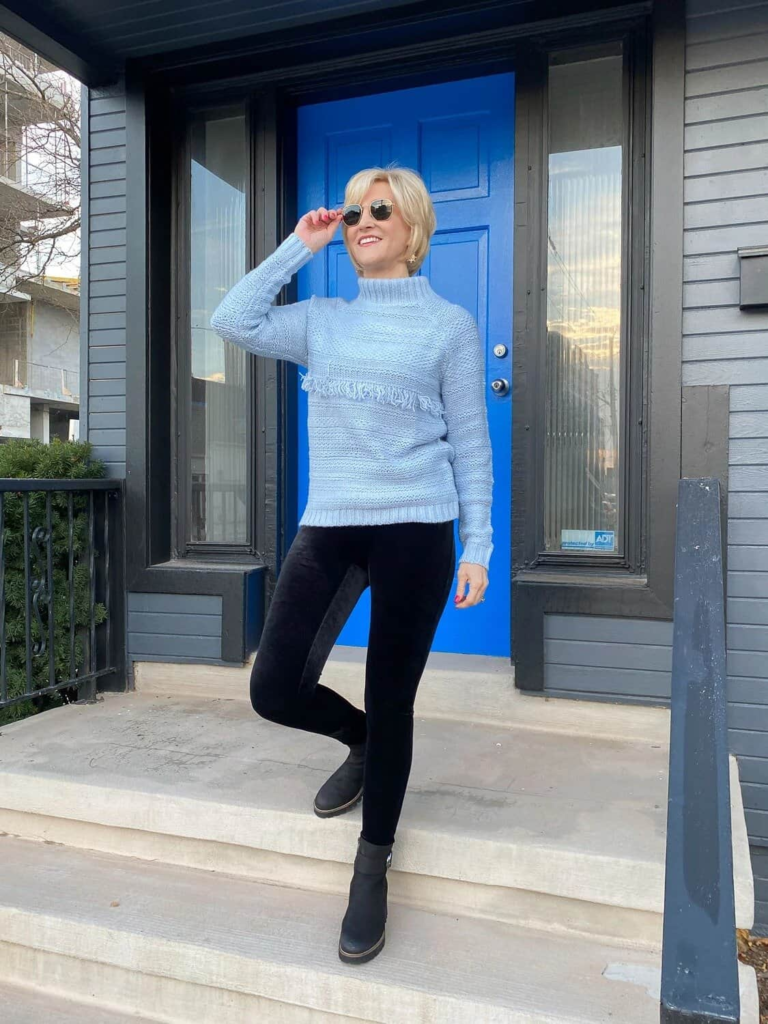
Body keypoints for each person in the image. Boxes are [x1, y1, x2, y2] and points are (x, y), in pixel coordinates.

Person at [209, 164, 493, 965]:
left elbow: (471, 441)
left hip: (417, 527)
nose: (363, 220)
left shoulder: (450, 327)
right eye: (355, 210)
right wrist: (301, 246)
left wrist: (478, 545)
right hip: (332, 523)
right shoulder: (321, 319)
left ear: (413, 229)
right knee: (274, 686)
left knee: (391, 690)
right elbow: (231, 319)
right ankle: (363, 743)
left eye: (381, 210)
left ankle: (373, 864)